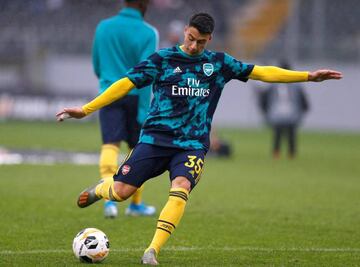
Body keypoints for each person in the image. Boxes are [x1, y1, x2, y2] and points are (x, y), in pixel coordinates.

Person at [56, 13, 342, 265]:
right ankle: (100, 190)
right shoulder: (163, 60)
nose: (194, 46)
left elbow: (261, 72)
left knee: (181, 187)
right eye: (191, 39)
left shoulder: (218, 64)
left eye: (201, 42)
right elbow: (125, 84)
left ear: (209, 39)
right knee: (121, 192)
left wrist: (307, 76)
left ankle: (151, 251)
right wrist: (86, 109)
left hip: (192, 145)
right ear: (185, 32)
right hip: (155, 139)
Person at [92, 0, 158, 218]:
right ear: (144, 4)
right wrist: (143, 109)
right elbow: (146, 74)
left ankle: (108, 203)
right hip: (134, 95)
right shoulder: (149, 33)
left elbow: (97, 65)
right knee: (138, 150)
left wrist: (108, 81)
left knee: (110, 145)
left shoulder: (103, 27)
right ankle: (135, 205)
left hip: (109, 92)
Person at [260, 61, 309, 158]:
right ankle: (289, 153)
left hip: (279, 113)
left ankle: (278, 153)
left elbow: (264, 99)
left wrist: (265, 111)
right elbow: (304, 101)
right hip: (288, 114)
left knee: (282, 134)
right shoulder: (296, 86)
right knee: (288, 134)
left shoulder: (274, 85)